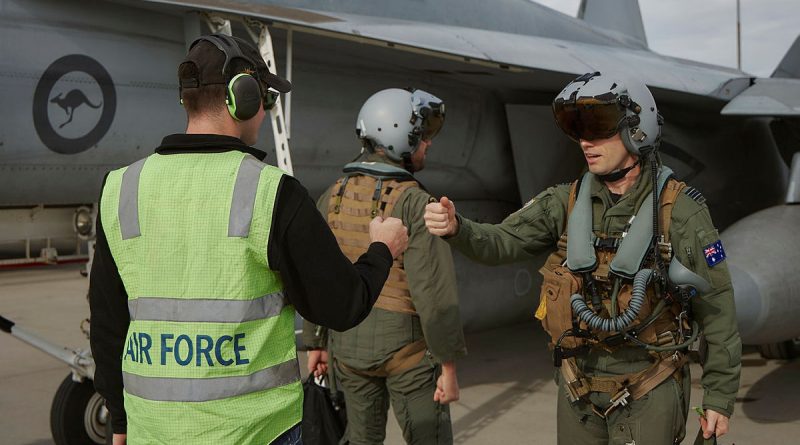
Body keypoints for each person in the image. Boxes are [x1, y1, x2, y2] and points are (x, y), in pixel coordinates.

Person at [89, 34, 409, 445]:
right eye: (267, 98)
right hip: (254, 432)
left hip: (152, 430)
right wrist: (382, 249)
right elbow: (342, 305)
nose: (266, 111)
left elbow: (108, 323)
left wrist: (119, 420)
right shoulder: (271, 192)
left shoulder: (120, 188)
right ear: (245, 96)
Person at [424, 72, 741, 445]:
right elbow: (503, 241)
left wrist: (719, 397)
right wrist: (457, 228)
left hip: (649, 385)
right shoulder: (566, 201)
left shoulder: (679, 212)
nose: (586, 141)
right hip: (579, 386)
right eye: (578, 129)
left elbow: (717, 309)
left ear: (637, 129)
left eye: (600, 127)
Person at [303, 88, 466, 445]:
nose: (427, 144)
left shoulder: (332, 195)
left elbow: (315, 277)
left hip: (348, 353)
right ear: (400, 139)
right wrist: (449, 367)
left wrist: (317, 342)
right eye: (421, 137)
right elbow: (433, 292)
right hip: (407, 357)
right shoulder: (417, 203)